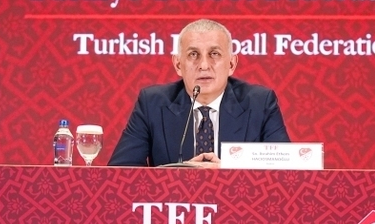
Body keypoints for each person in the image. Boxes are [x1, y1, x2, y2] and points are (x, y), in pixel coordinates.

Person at [108, 19, 290, 167]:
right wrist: (182, 177)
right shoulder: (152, 104)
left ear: (231, 64)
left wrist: (226, 174)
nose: (203, 65)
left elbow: (287, 174)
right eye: (193, 54)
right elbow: (120, 174)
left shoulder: (260, 104)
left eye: (214, 54)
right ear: (178, 64)